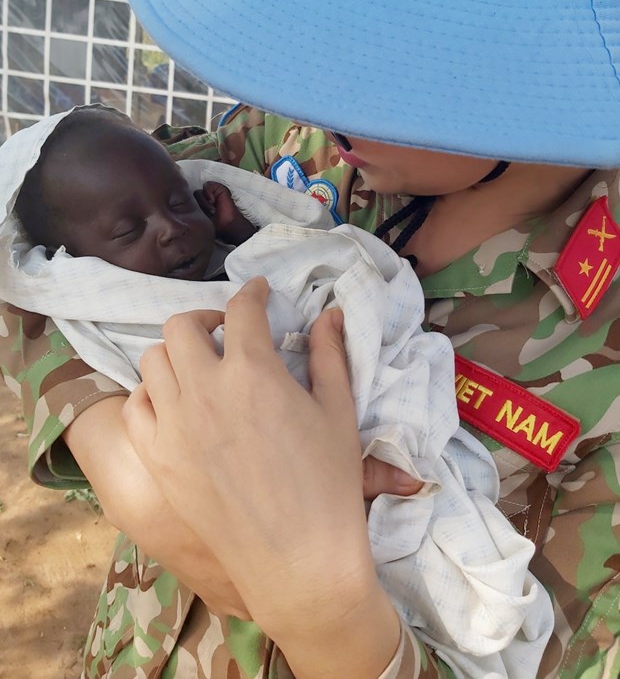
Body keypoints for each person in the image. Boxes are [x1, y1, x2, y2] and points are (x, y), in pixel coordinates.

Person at [1, 0, 619, 677]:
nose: (308, 89)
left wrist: (327, 614)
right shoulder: (284, 142)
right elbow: (43, 218)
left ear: (534, 66)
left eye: (369, 57)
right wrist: (114, 448)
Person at [0, 104, 553, 677]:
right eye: (128, 231)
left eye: (182, 206)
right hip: (144, 642)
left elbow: (288, 270)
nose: (172, 227)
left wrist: (326, 608)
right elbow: (22, 243)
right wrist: (111, 447)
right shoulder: (287, 129)